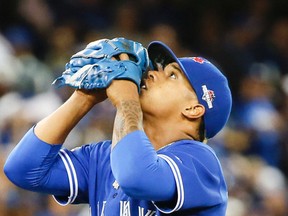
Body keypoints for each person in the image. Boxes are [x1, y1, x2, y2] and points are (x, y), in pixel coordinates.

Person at [4, 40, 232, 215]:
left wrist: (126, 101)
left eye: (171, 75)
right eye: (157, 67)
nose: (151, 73)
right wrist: (84, 98)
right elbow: (23, 170)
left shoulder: (201, 162)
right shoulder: (105, 156)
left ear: (193, 109)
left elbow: (138, 177)